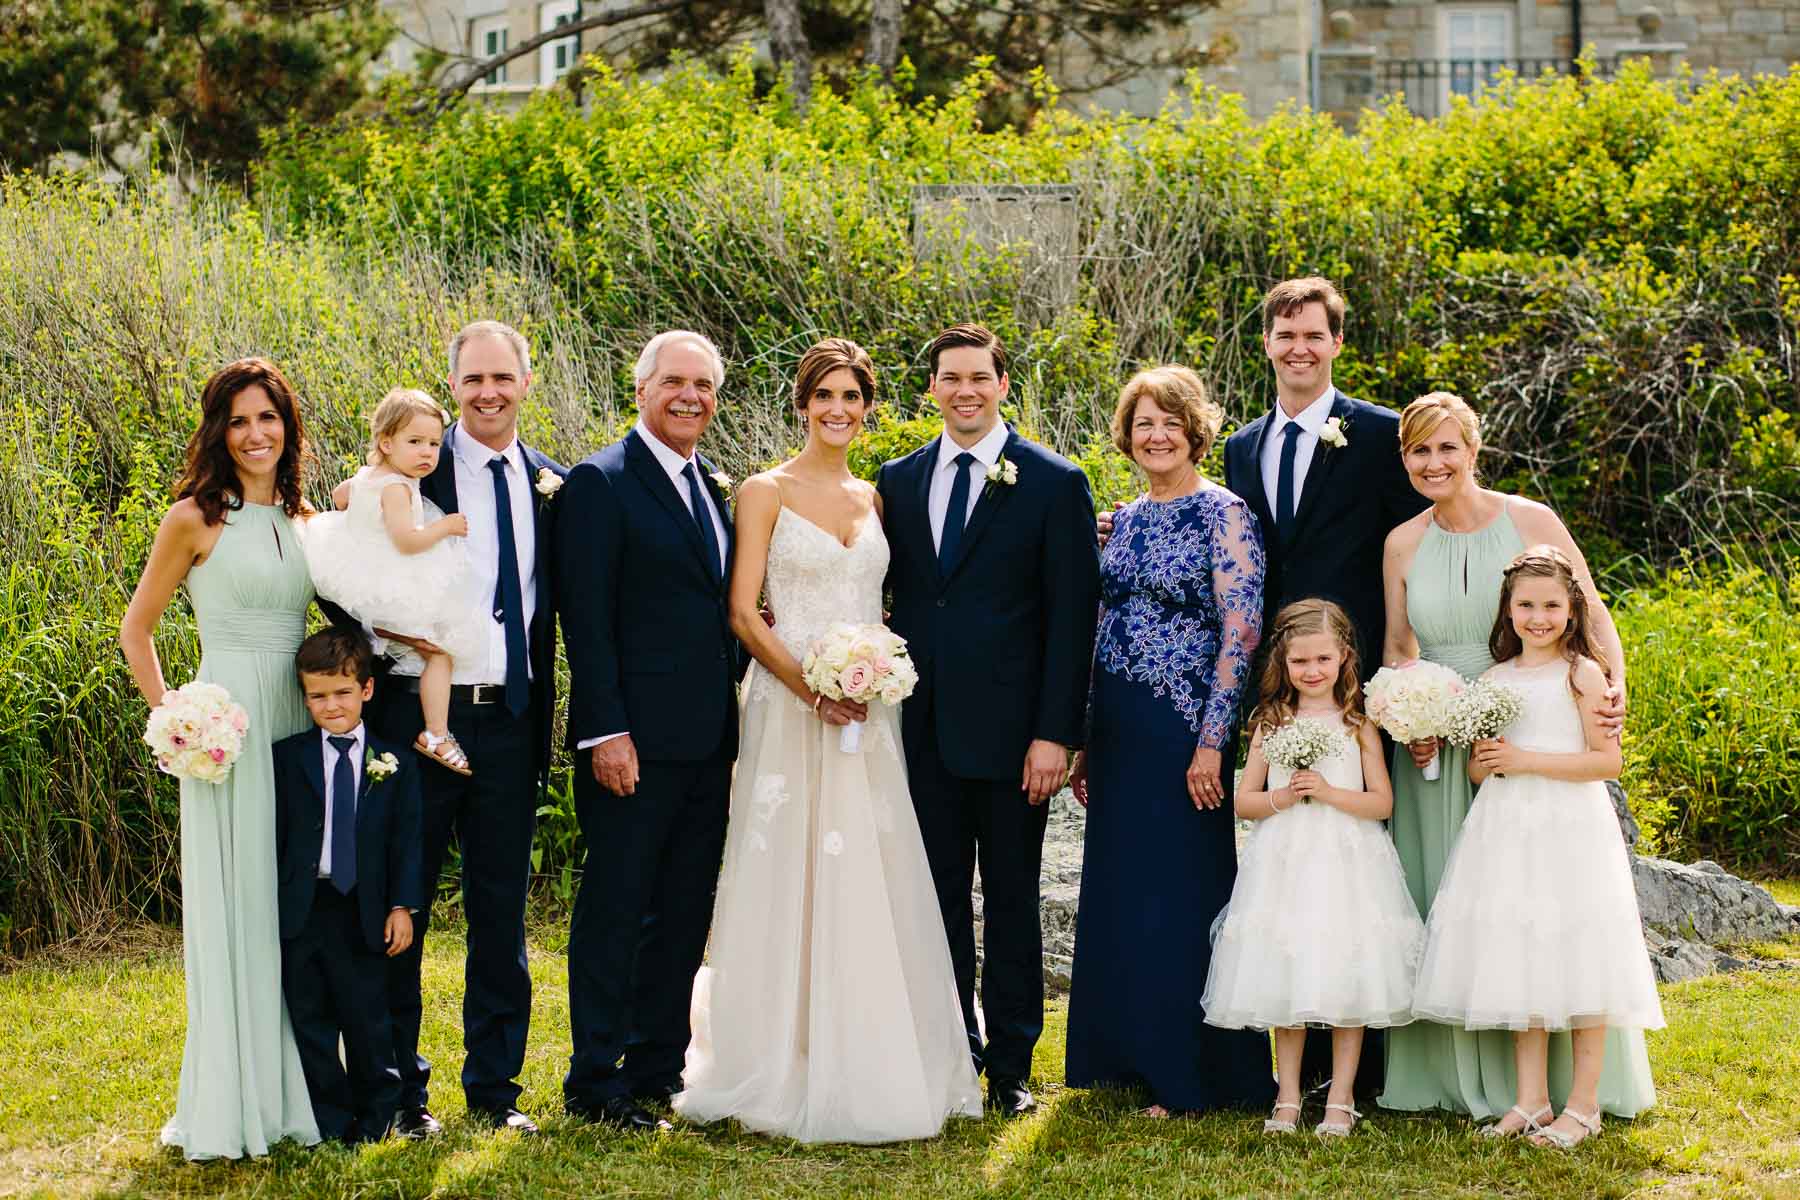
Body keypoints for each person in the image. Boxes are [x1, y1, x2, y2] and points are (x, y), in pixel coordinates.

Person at [1099, 279, 1427, 1095]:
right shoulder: (1241, 448)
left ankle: (1365, 1068)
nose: (1298, 349)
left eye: (1313, 335)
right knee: (1281, 874)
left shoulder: (1382, 436)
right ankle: (1290, 1058)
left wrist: (1406, 668)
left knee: (1355, 873)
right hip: (1264, 696)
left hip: (1349, 689)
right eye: (1284, 336)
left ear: (1336, 343)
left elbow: (1411, 550)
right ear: (1268, 344)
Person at [675, 338, 984, 1143]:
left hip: (870, 713)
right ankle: (780, 1053)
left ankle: (870, 1051)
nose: (839, 410)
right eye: (825, 397)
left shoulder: (875, 498)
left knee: (870, 874)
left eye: (852, 397)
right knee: (788, 865)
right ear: (801, 404)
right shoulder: (763, 490)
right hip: (789, 702)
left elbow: (881, 605)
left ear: (869, 407)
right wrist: (813, 688)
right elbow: (744, 612)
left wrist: (868, 677)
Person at [1377, 391, 1649, 1124]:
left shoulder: (1530, 520)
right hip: (1442, 745)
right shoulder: (1402, 541)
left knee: (1547, 906)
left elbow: (1588, 612)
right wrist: (1412, 717)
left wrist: (1612, 691)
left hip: (1541, 730)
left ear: (1474, 450)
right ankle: (1463, 1079)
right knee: (1461, 905)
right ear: (1404, 460)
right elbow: (1399, 647)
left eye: (1447, 448)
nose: (1434, 463)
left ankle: (1577, 1092)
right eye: (1418, 451)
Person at [875, 323, 1099, 1117]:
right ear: (930, 389)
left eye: (980, 377)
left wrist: (1056, 734)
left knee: (1009, 900)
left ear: (1005, 385)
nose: (964, 391)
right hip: (919, 730)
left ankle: (1009, 1067)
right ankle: (944, 1053)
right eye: (950, 378)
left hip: (1015, 741)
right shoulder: (896, 481)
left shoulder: (1053, 480)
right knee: (932, 899)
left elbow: (1073, 621)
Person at [355, 322, 565, 1137]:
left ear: (525, 380)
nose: (488, 392)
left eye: (501, 377)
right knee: (402, 901)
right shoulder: (415, 465)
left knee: (500, 910)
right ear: (452, 384)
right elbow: (350, 564)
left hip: (510, 721)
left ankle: (495, 1091)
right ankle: (402, 1095)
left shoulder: (552, 480)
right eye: (472, 378)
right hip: (416, 719)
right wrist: (394, 640)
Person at [119, 357, 321, 1159]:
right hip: (227, 732)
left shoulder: (308, 520)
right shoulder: (194, 519)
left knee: (291, 911)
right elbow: (138, 630)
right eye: (237, 420)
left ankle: (299, 1090)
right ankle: (232, 1101)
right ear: (218, 432)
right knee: (237, 913)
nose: (255, 434)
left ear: (287, 426)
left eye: (267, 417)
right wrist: (178, 723)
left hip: (297, 724)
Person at [1064, 366, 1271, 1117]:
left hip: (1186, 723)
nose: (1156, 435)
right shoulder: (1125, 517)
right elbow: (1099, 624)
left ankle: (1195, 1072)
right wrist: (1086, 735)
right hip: (1118, 724)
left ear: (1195, 431)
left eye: (1170, 423)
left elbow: (1240, 636)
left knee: (1183, 891)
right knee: (1123, 889)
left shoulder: (1225, 514)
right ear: (1127, 434)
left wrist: (1214, 740)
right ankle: (1119, 1056)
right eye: (1143, 423)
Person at [1411, 547, 1664, 1147]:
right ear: (1508, 610)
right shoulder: (1494, 680)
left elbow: (1607, 760)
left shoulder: (1582, 673)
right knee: (1519, 952)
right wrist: (1488, 759)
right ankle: (1530, 1100)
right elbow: (1480, 769)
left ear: (1573, 610)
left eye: (1551, 605)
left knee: (1581, 953)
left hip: (1569, 828)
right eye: (1526, 605)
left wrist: (1525, 759)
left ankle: (1584, 1104)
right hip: (1504, 830)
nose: (1539, 617)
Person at [557, 330, 742, 1132]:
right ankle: (595, 1080)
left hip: (708, 741)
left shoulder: (713, 485)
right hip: (631, 742)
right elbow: (585, 621)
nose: (690, 397)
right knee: (617, 910)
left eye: (703, 386)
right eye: (674, 383)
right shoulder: (600, 483)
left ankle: (656, 1069)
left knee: (681, 910)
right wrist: (606, 732)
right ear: (641, 390)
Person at [1201, 598, 1424, 1137]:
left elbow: (1383, 804)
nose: (1313, 671)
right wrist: (1287, 797)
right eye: (1301, 662)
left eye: (1323, 659)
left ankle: (1342, 1098)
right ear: (1284, 663)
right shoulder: (1270, 722)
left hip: (1349, 863)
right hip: (1285, 863)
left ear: (1345, 657)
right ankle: (1287, 1097)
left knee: (1352, 973)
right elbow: (1244, 801)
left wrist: (1327, 792)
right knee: (1285, 971)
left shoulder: (1359, 725)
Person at [274, 628, 423, 1144]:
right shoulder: (287, 759)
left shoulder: (394, 761)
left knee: (367, 1022)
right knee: (312, 1023)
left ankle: (378, 1116)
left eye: (341, 692)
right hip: (304, 909)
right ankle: (332, 1123)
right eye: (317, 695)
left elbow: (408, 841)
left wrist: (403, 905)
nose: (330, 705)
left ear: (366, 690)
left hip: (363, 908)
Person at [304, 390, 486, 776]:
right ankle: (436, 732)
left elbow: (339, 498)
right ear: (386, 442)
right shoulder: (398, 487)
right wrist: (445, 526)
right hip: (394, 578)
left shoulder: (369, 476)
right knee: (441, 652)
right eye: (415, 442)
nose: (427, 453)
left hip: (361, 573)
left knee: (419, 651)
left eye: (434, 444)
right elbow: (406, 540)